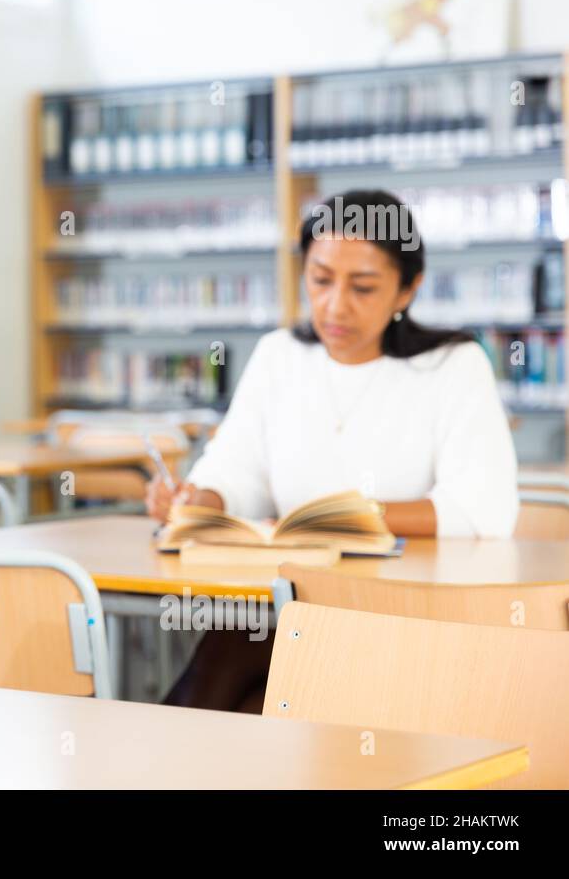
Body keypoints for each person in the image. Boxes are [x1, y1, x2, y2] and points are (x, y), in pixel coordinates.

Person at [146, 188, 518, 711]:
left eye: (363, 288)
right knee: (252, 688)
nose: (334, 305)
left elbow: (483, 511)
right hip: (295, 606)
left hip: (406, 616)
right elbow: (237, 475)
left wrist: (346, 519)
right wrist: (194, 503)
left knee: (246, 668)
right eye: (320, 280)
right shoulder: (281, 356)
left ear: (407, 290)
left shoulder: (454, 365)